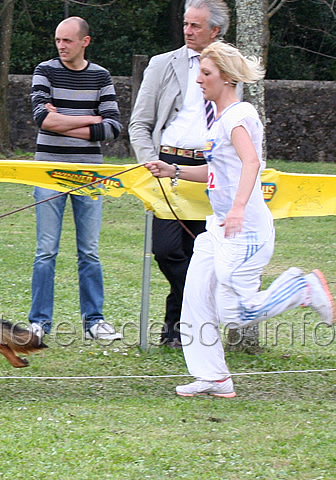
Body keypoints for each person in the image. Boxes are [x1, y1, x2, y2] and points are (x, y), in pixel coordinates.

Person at [145, 41, 334, 398]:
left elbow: (251, 163)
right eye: (199, 72)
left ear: (227, 78)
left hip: (244, 230)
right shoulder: (219, 119)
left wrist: (237, 208)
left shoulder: (237, 116)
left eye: (206, 74)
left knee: (236, 312)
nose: (199, 80)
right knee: (196, 299)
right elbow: (217, 172)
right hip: (219, 229)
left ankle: (303, 287)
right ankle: (213, 377)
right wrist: (173, 170)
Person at [128, 0, 231, 348]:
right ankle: (204, 309)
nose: (187, 31)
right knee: (167, 249)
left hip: (209, 168)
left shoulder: (230, 68)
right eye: (186, 24)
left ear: (215, 31)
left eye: (196, 26)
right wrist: (148, 162)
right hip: (165, 166)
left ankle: (176, 332)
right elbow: (139, 123)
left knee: (201, 251)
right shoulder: (162, 64)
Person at [28, 16, 122, 342]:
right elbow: (42, 119)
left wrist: (62, 119)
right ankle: (39, 322)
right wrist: (90, 118)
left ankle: (94, 321)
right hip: (48, 171)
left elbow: (112, 127)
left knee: (90, 251)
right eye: (58, 40)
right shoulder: (45, 70)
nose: (61, 46)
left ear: (85, 41)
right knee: (46, 251)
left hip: (89, 173)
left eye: (67, 40)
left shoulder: (100, 76)